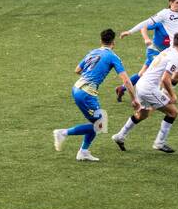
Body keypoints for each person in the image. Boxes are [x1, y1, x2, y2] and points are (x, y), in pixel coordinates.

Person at [53, 28, 137, 162]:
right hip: (86, 93)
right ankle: (62, 133)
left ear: (101, 41)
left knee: (97, 122)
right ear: (113, 43)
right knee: (100, 124)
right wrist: (134, 98)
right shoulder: (112, 56)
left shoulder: (92, 52)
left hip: (76, 88)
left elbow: (77, 70)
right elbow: (126, 80)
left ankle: (83, 152)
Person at [112, 32, 178, 154]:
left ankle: (120, 136)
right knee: (173, 112)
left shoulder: (167, 51)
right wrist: (172, 95)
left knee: (143, 114)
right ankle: (160, 142)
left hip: (141, 85)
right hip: (149, 89)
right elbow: (165, 79)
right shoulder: (176, 57)